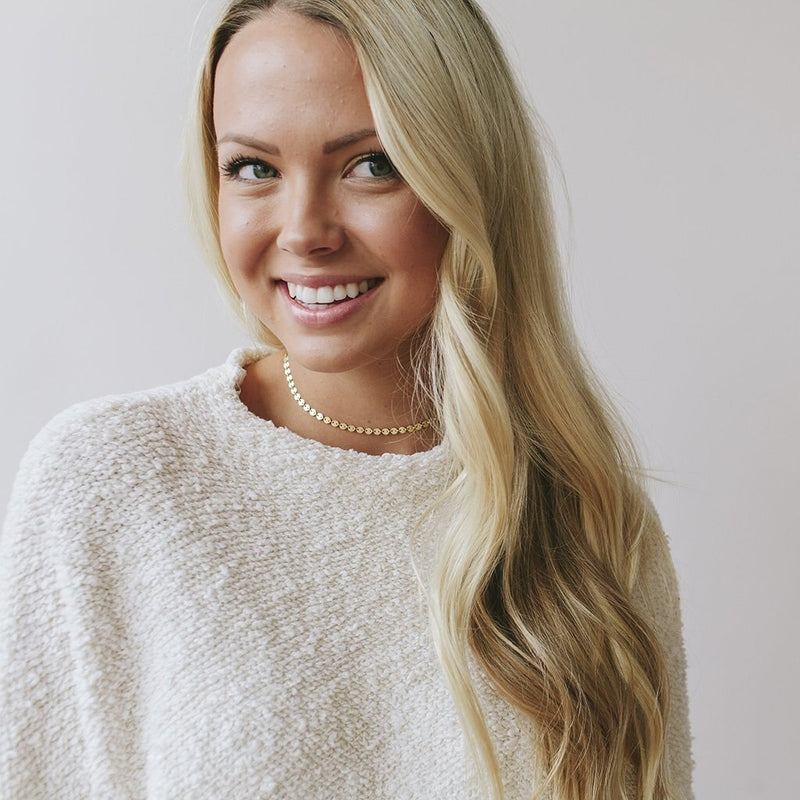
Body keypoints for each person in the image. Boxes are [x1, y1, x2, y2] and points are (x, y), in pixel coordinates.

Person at [0, 0, 693, 798]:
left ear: (468, 178)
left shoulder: (588, 519)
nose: (305, 231)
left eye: (372, 164)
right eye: (254, 168)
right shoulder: (110, 481)